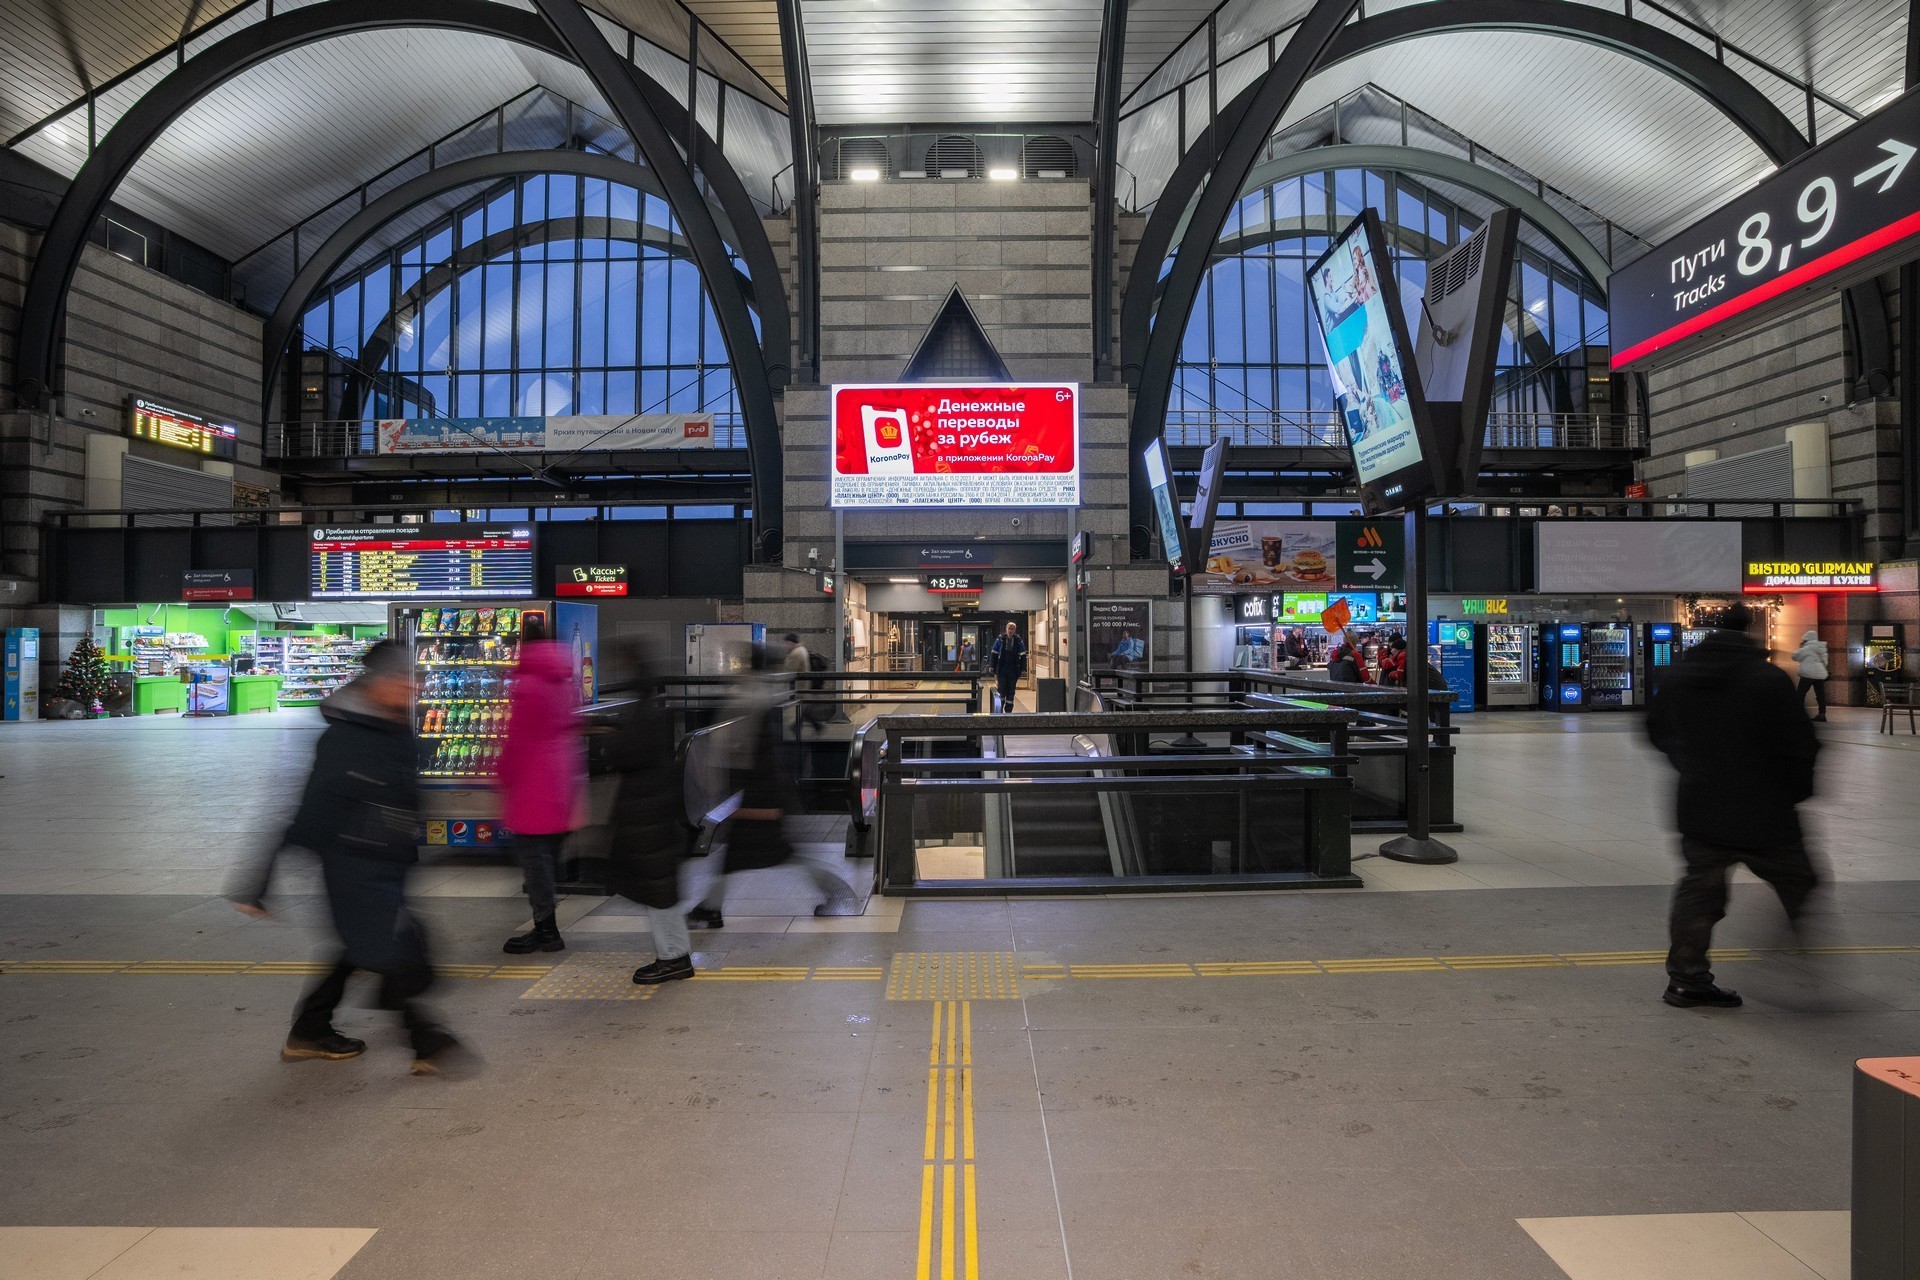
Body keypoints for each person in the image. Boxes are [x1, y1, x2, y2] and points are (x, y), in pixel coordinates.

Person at [230, 641, 464, 1073]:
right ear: (379, 683)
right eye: (405, 681)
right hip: (352, 864)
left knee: (359, 947)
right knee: (393, 950)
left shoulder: (393, 725)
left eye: (415, 681)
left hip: (387, 861)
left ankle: (310, 1029)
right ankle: (426, 1041)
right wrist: (257, 882)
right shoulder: (345, 738)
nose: (414, 689)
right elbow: (308, 810)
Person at [1646, 603, 1821, 1009]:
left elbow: (1655, 730)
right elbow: (1800, 744)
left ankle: (1686, 980)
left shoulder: (1679, 675)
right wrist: (1795, 791)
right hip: (1766, 811)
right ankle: (1792, 969)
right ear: (1750, 631)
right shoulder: (1767, 678)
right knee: (1799, 882)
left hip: (1700, 806)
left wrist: (1690, 765)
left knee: (1699, 894)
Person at [686, 643, 859, 929]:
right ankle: (710, 908)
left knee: (776, 852)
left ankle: (830, 888)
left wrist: (715, 788)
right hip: (768, 790)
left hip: (757, 794)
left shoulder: (746, 699)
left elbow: (730, 750)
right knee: (756, 853)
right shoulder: (770, 692)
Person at [600, 644, 696, 985]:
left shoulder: (643, 713)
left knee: (657, 888)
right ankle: (675, 953)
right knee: (659, 886)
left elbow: (627, 755)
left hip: (647, 810)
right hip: (653, 808)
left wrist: (609, 741)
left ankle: (674, 958)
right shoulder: (653, 708)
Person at [497, 614, 585, 954]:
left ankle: (546, 930)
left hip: (533, 784)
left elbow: (517, 740)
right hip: (560, 779)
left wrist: (502, 774)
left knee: (535, 864)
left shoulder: (528, 685)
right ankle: (546, 925)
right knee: (545, 858)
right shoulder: (561, 678)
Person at [1791, 629, 1830, 721]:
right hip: (1819, 675)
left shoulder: (1807, 648)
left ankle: (1799, 713)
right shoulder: (1821, 648)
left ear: (1807, 639)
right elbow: (1825, 662)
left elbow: (1795, 657)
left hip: (1807, 674)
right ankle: (1822, 714)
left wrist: (1801, 647)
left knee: (1801, 694)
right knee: (1820, 695)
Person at [988, 622, 1026, 712]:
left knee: (1011, 690)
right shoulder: (1000, 640)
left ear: (1015, 630)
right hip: (1002, 669)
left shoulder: (1018, 641)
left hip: (1013, 669)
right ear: (1006, 629)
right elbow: (994, 653)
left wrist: (1023, 668)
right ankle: (1000, 709)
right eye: (1009, 628)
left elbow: (1023, 655)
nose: (1010, 631)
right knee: (1001, 689)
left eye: (1012, 629)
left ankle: (1008, 710)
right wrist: (992, 665)